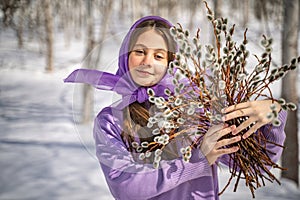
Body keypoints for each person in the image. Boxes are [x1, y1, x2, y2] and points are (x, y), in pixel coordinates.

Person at [64, 16, 287, 200]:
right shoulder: (110, 121)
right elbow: (127, 188)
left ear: (171, 62)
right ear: (125, 56)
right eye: (139, 52)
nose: (147, 61)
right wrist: (198, 161)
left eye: (158, 55)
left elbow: (254, 163)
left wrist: (273, 116)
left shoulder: (198, 109)